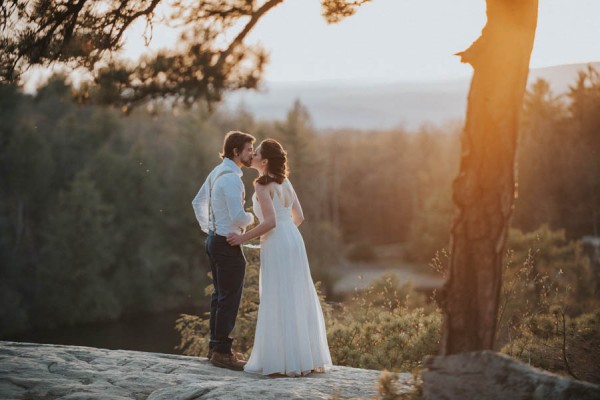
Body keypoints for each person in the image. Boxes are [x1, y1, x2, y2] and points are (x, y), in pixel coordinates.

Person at [227, 138, 332, 377]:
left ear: (264, 161)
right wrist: (287, 234)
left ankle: (282, 361)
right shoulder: (286, 182)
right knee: (295, 294)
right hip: (294, 240)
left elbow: (270, 222)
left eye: (256, 154)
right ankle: (304, 359)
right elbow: (300, 217)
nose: (252, 155)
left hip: (278, 242)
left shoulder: (263, 186)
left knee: (277, 295)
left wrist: (243, 239)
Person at [192, 130, 255, 371]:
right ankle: (221, 352)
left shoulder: (218, 172)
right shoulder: (231, 179)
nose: (251, 153)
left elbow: (198, 202)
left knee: (219, 297)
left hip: (215, 241)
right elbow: (239, 216)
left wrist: (211, 228)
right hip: (227, 244)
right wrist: (251, 217)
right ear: (236, 152)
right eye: (248, 150)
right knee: (228, 299)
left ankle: (216, 348)